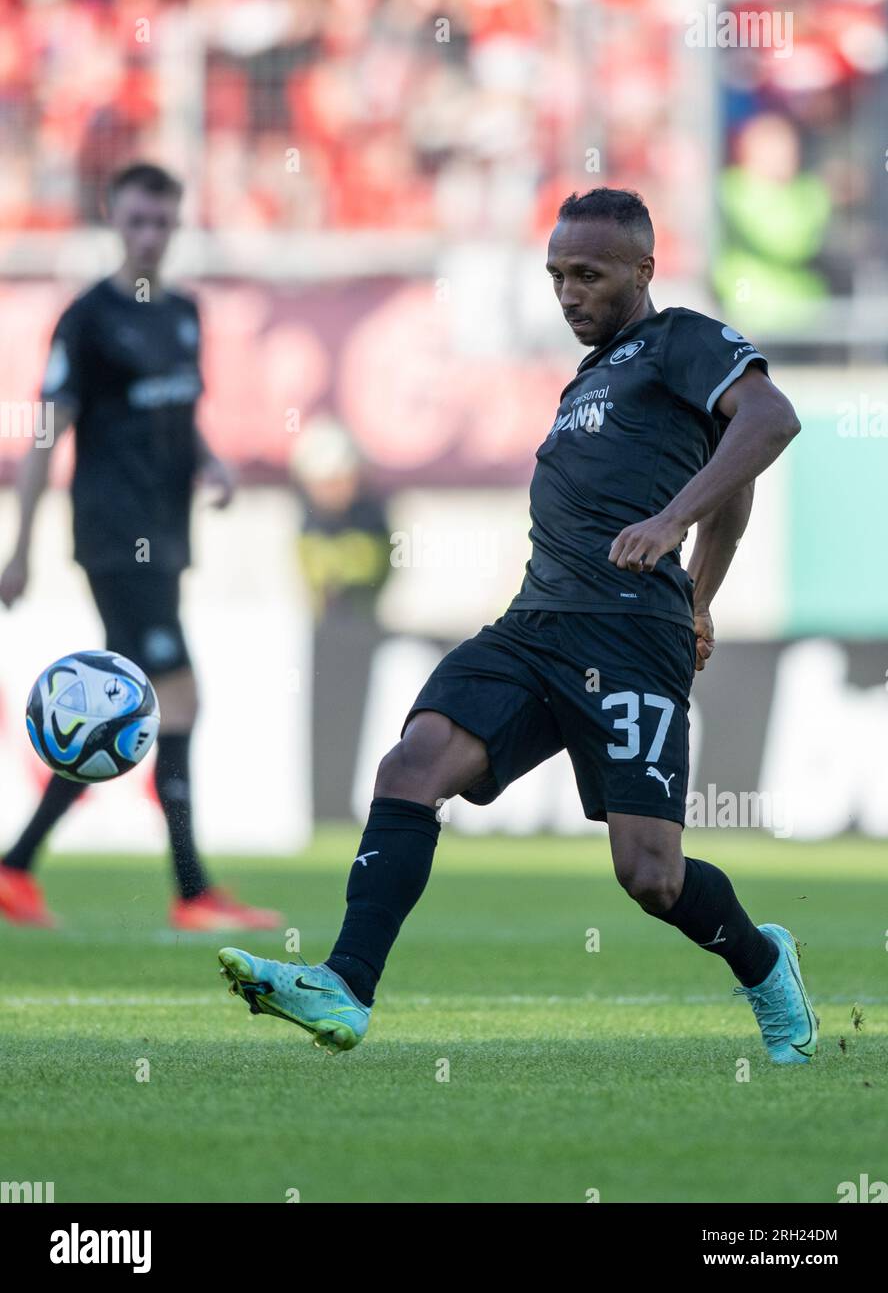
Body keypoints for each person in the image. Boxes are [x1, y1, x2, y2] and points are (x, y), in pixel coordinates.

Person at [218, 187, 816, 1063]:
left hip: (627, 636)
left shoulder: (682, 338)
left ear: (645, 271)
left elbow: (770, 425)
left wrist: (677, 547)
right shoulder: (594, 374)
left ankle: (766, 965)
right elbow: (735, 476)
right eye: (556, 276)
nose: (569, 293)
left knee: (650, 876)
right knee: (412, 765)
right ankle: (344, 987)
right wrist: (703, 590)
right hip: (533, 627)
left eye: (589, 275)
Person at [0, 162, 281, 933]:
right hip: (113, 537)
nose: (151, 237)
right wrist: (19, 545)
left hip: (168, 534)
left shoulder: (185, 314)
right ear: (113, 220)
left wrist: (210, 460)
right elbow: (46, 432)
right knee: (174, 698)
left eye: (163, 223)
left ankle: (16, 868)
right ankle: (192, 894)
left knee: (133, 707)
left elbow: (180, 410)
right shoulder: (86, 318)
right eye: (138, 222)